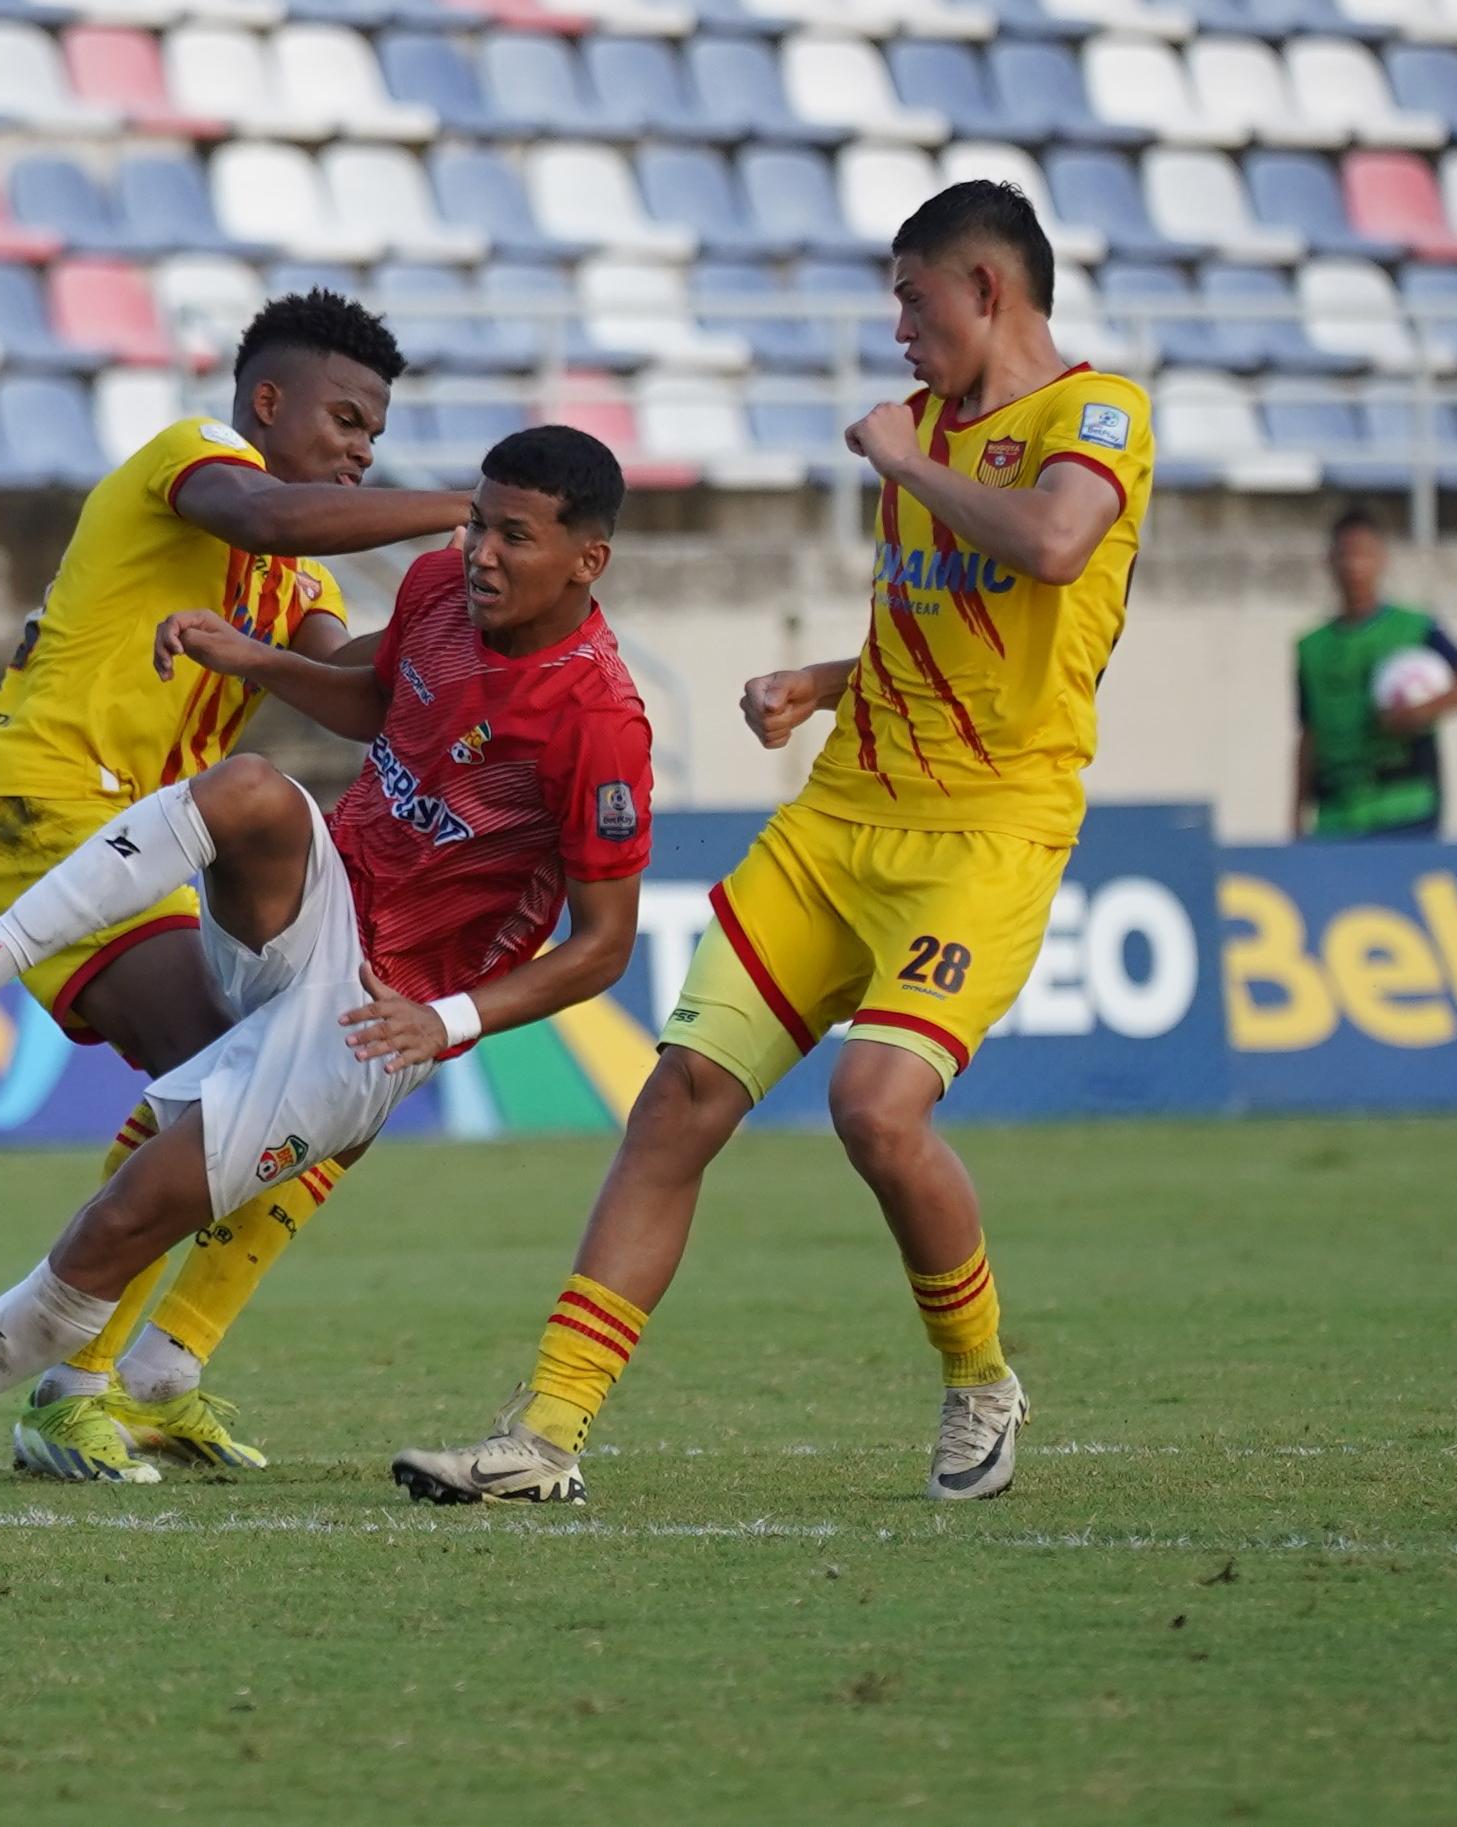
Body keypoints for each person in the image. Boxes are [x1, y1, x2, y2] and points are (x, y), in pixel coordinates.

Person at [395, 181, 1152, 1511]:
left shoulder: (1094, 416)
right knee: (678, 1096)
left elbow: (1047, 544)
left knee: (874, 1104)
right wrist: (818, 678)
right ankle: (546, 1435)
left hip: (981, 837)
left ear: (986, 290)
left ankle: (980, 1374)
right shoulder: (921, 429)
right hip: (839, 816)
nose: (900, 332)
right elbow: (947, 635)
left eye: (914, 303)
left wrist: (906, 464)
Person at [0, 427, 653, 1491]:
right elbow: (378, 700)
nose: (479, 551)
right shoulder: (441, 590)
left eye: (513, 537)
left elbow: (603, 944)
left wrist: (444, 1024)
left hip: (369, 1016)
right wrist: (255, 660)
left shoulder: (599, 721)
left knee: (114, 1228)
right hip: (319, 906)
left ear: (586, 559)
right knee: (248, 789)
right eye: (477, 521)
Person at [0, 289, 500, 1480]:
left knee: (342, 1070)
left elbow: (352, 681)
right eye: (346, 421)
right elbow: (271, 516)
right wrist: (472, 506)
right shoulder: (194, 461)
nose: (360, 450)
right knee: (226, 1091)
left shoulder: (292, 588)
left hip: (153, 850)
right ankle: (65, 1389)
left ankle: (162, 1372)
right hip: (46, 813)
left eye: (374, 434)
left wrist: (490, 634)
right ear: (265, 401)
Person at [1294, 507, 1457, 840]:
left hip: (1406, 806)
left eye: (1364, 554)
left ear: (1382, 560)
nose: (1354, 566)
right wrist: (1296, 818)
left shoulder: (1414, 628)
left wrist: (1420, 711)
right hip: (1337, 815)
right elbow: (1308, 735)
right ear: (1329, 561)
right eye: (1346, 554)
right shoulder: (1311, 647)